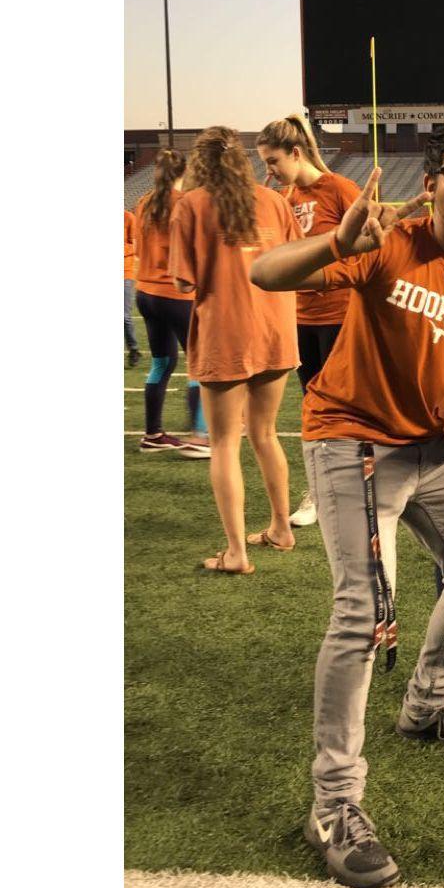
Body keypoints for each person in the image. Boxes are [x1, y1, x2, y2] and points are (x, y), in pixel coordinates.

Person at [249, 114, 444, 888]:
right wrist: (339, 244)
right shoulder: (392, 243)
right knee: (364, 613)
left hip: (429, 448)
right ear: (432, 182)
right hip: (350, 435)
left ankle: (425, 706)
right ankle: (334, 805)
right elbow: (266, 275)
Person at [168, 126, 302, 573]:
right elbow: (293, 263)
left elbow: (184, 281)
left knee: (225, 442)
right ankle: (281, 529)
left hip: (225, 331)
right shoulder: (275, 201)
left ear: (200, 162)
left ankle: (236, 554)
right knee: (264, 434)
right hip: (274, 329)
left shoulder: (190, 205)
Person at [255, 113, 361, 528]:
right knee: (314, 406)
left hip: (341, 316)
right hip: (301, 318)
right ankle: (319, 492)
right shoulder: (286, 198)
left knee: (347, 406)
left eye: (273, 161)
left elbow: (370, 249)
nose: (269, 170)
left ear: (295, 153)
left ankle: (355, 488)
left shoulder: (340, 189)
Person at [134, 149, 207, 455]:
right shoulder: (185, 203)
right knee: (199, 365)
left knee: (162, 362)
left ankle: (153, 434)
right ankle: (200, 436)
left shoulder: (144, 201)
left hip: (146, 292)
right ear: (185, 172)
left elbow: (139, 247)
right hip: (176, 294)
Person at [124, 208, 141, 367]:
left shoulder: (128, 217)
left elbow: (136, 247)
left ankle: (133, 348)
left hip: (125, 272)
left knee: (124, 316)